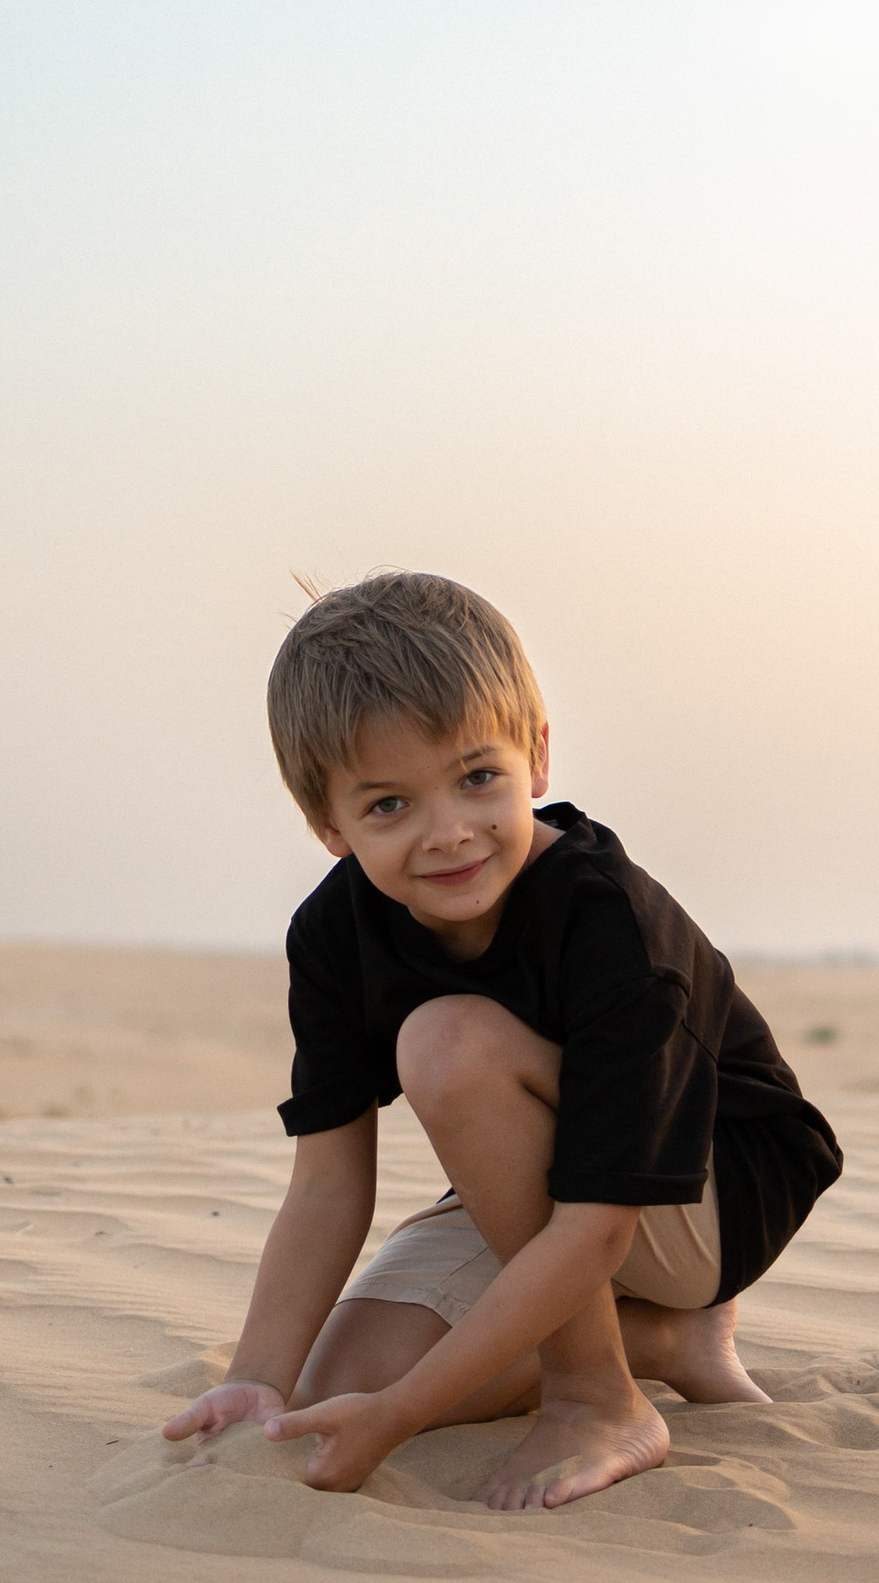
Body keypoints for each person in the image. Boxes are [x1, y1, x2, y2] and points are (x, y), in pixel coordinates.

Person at [165, 573, 841, 1512]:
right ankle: (663, 1344)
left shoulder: (609, 923)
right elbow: (326, 1184)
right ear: (329, 825)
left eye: (479, 778)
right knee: (324, 1396)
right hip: (552, 1171)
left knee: (448, 1044)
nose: (449, 834)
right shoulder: (332, 934)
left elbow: (597, 1226)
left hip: (713, 1183)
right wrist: (256, 1377)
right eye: (388, 806)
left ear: (539, 757)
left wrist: (402, 1415)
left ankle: (599, 1396)